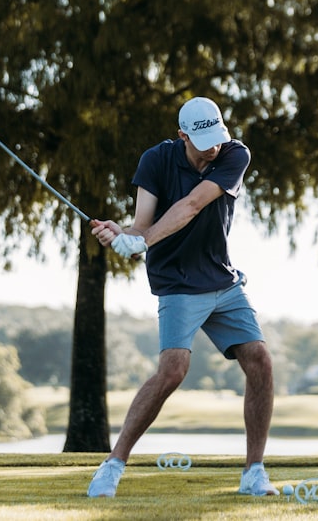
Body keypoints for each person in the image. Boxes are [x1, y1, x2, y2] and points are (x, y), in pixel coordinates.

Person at [87, 96, 279, 498]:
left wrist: (140, 242)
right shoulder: (155, 161)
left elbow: (191, 205)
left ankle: (254, 472)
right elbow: (142, 225)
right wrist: (120, 234)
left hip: (222, 281)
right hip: (176, 282)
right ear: (181, 136)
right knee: (173, 370)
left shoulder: (234, 155)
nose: (211, 148)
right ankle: (113, 465)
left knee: (260, 360)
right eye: (202, 140)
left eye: (216, 138)